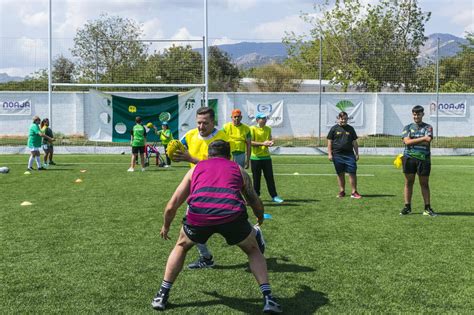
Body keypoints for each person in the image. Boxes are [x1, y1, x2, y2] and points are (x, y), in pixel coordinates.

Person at [151, 140, 282, 314]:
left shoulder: (195, 169)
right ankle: (268, 299)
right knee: (253, 250)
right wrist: (259, 217)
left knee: (181, 246)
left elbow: (171, 205)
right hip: (231, 215)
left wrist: (166, 226)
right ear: (229, 156)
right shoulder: (239, 170)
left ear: (208, 154)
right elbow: (254, 200)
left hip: (199, 215)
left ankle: (162, 294)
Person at [172, 106, 230, 269]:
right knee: (191, 228)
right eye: (198, 123)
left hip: (219, 188)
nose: (201, 126)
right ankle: (206, 257)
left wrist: (191, 158)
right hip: (198, 189)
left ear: (213, 122)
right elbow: (176, 147)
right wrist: (174, 154)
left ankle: (254, 237)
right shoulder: (190, 135)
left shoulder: (222, 138)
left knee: (234, 226)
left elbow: (222, 165)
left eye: (205, 123)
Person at [400, 105, 436, 216]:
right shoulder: (407, 127)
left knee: (424, 184)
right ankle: (407, 207)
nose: (416, 116)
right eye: (414, 114)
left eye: (418, 114)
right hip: (409, 158)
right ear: (412, 115)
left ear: (422, 114)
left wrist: (413, 140)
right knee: (408, 182)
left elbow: (428, 140)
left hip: (424, 159)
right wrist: (422, 139)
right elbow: (407, 142)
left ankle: (427, 208)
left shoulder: (428, 127)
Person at [249, 113, 284, 203]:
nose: (264, 120)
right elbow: (250, 142)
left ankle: (274, 196)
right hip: (255, 158)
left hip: (266, 157)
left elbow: (270, 139)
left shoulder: (268, 129)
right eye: (262, 118)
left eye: (265, 118)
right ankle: (256, 196)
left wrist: (271, 142)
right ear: (257, 120)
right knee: (256, 179)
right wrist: (263, 143)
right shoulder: (252, 129)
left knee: (270, 178)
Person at [327, 111, 361, 199]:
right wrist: (330, 154)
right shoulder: (334, 129)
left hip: (349, 155)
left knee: (352, 173)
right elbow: (329, 142)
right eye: (342, 119)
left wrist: (357, 154)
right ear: (338, 119)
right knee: (340, 173)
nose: (344, 120)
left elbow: (354, 142)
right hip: (337, 155)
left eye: (345, 119)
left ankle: (354, 192)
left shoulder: (351, 129)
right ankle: (342, 191)